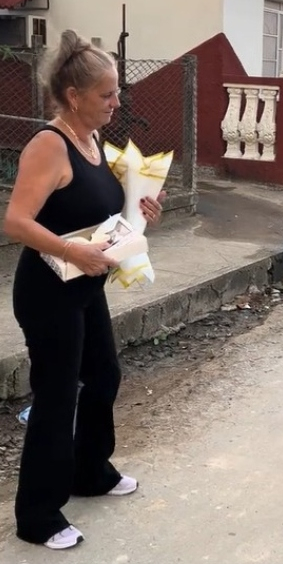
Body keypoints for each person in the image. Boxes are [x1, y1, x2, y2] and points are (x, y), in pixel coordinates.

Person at [3, 29, 165, 550]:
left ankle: (90, 473)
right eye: (107, 95)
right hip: (47, 290)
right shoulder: (49, 144)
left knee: (103, 376)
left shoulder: (89, 138)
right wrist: (73, 252)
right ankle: (38, 516)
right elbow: (16, 221)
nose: (117, 103)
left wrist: (139, 217)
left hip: (84, 285)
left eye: (116, 92)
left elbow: (94, 213)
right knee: (56, 395)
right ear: (74, 97)